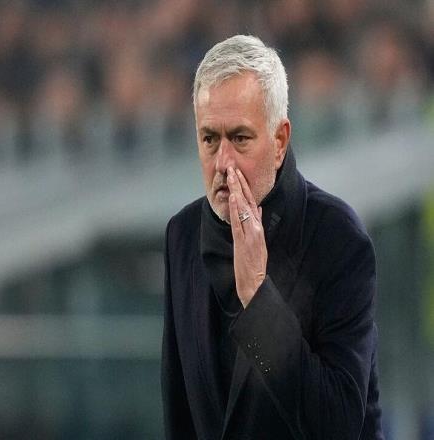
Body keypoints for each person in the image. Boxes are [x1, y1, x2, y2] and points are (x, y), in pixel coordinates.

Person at [161, 35, 383, 439]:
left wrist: (258, 299)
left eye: (240, 138)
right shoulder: (182, 235)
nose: (223, 162)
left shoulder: (338, 237)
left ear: (279, 141)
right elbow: (180, 412)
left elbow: (339, 423)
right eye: (209, 139)